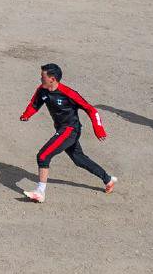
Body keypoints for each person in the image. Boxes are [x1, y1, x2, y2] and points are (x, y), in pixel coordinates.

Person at [18, 63, 113, 203]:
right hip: (61, 129)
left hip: (70, 130)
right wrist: (27, 114)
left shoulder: (68, 93)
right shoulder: (42, 90)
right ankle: (108, 179)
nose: (40, 79)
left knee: (43, 155)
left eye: (42, 77)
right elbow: (34, 104)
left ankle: (40, 192)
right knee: (79, 159)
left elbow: (91, 109)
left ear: (52, 79)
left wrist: (98, 128)